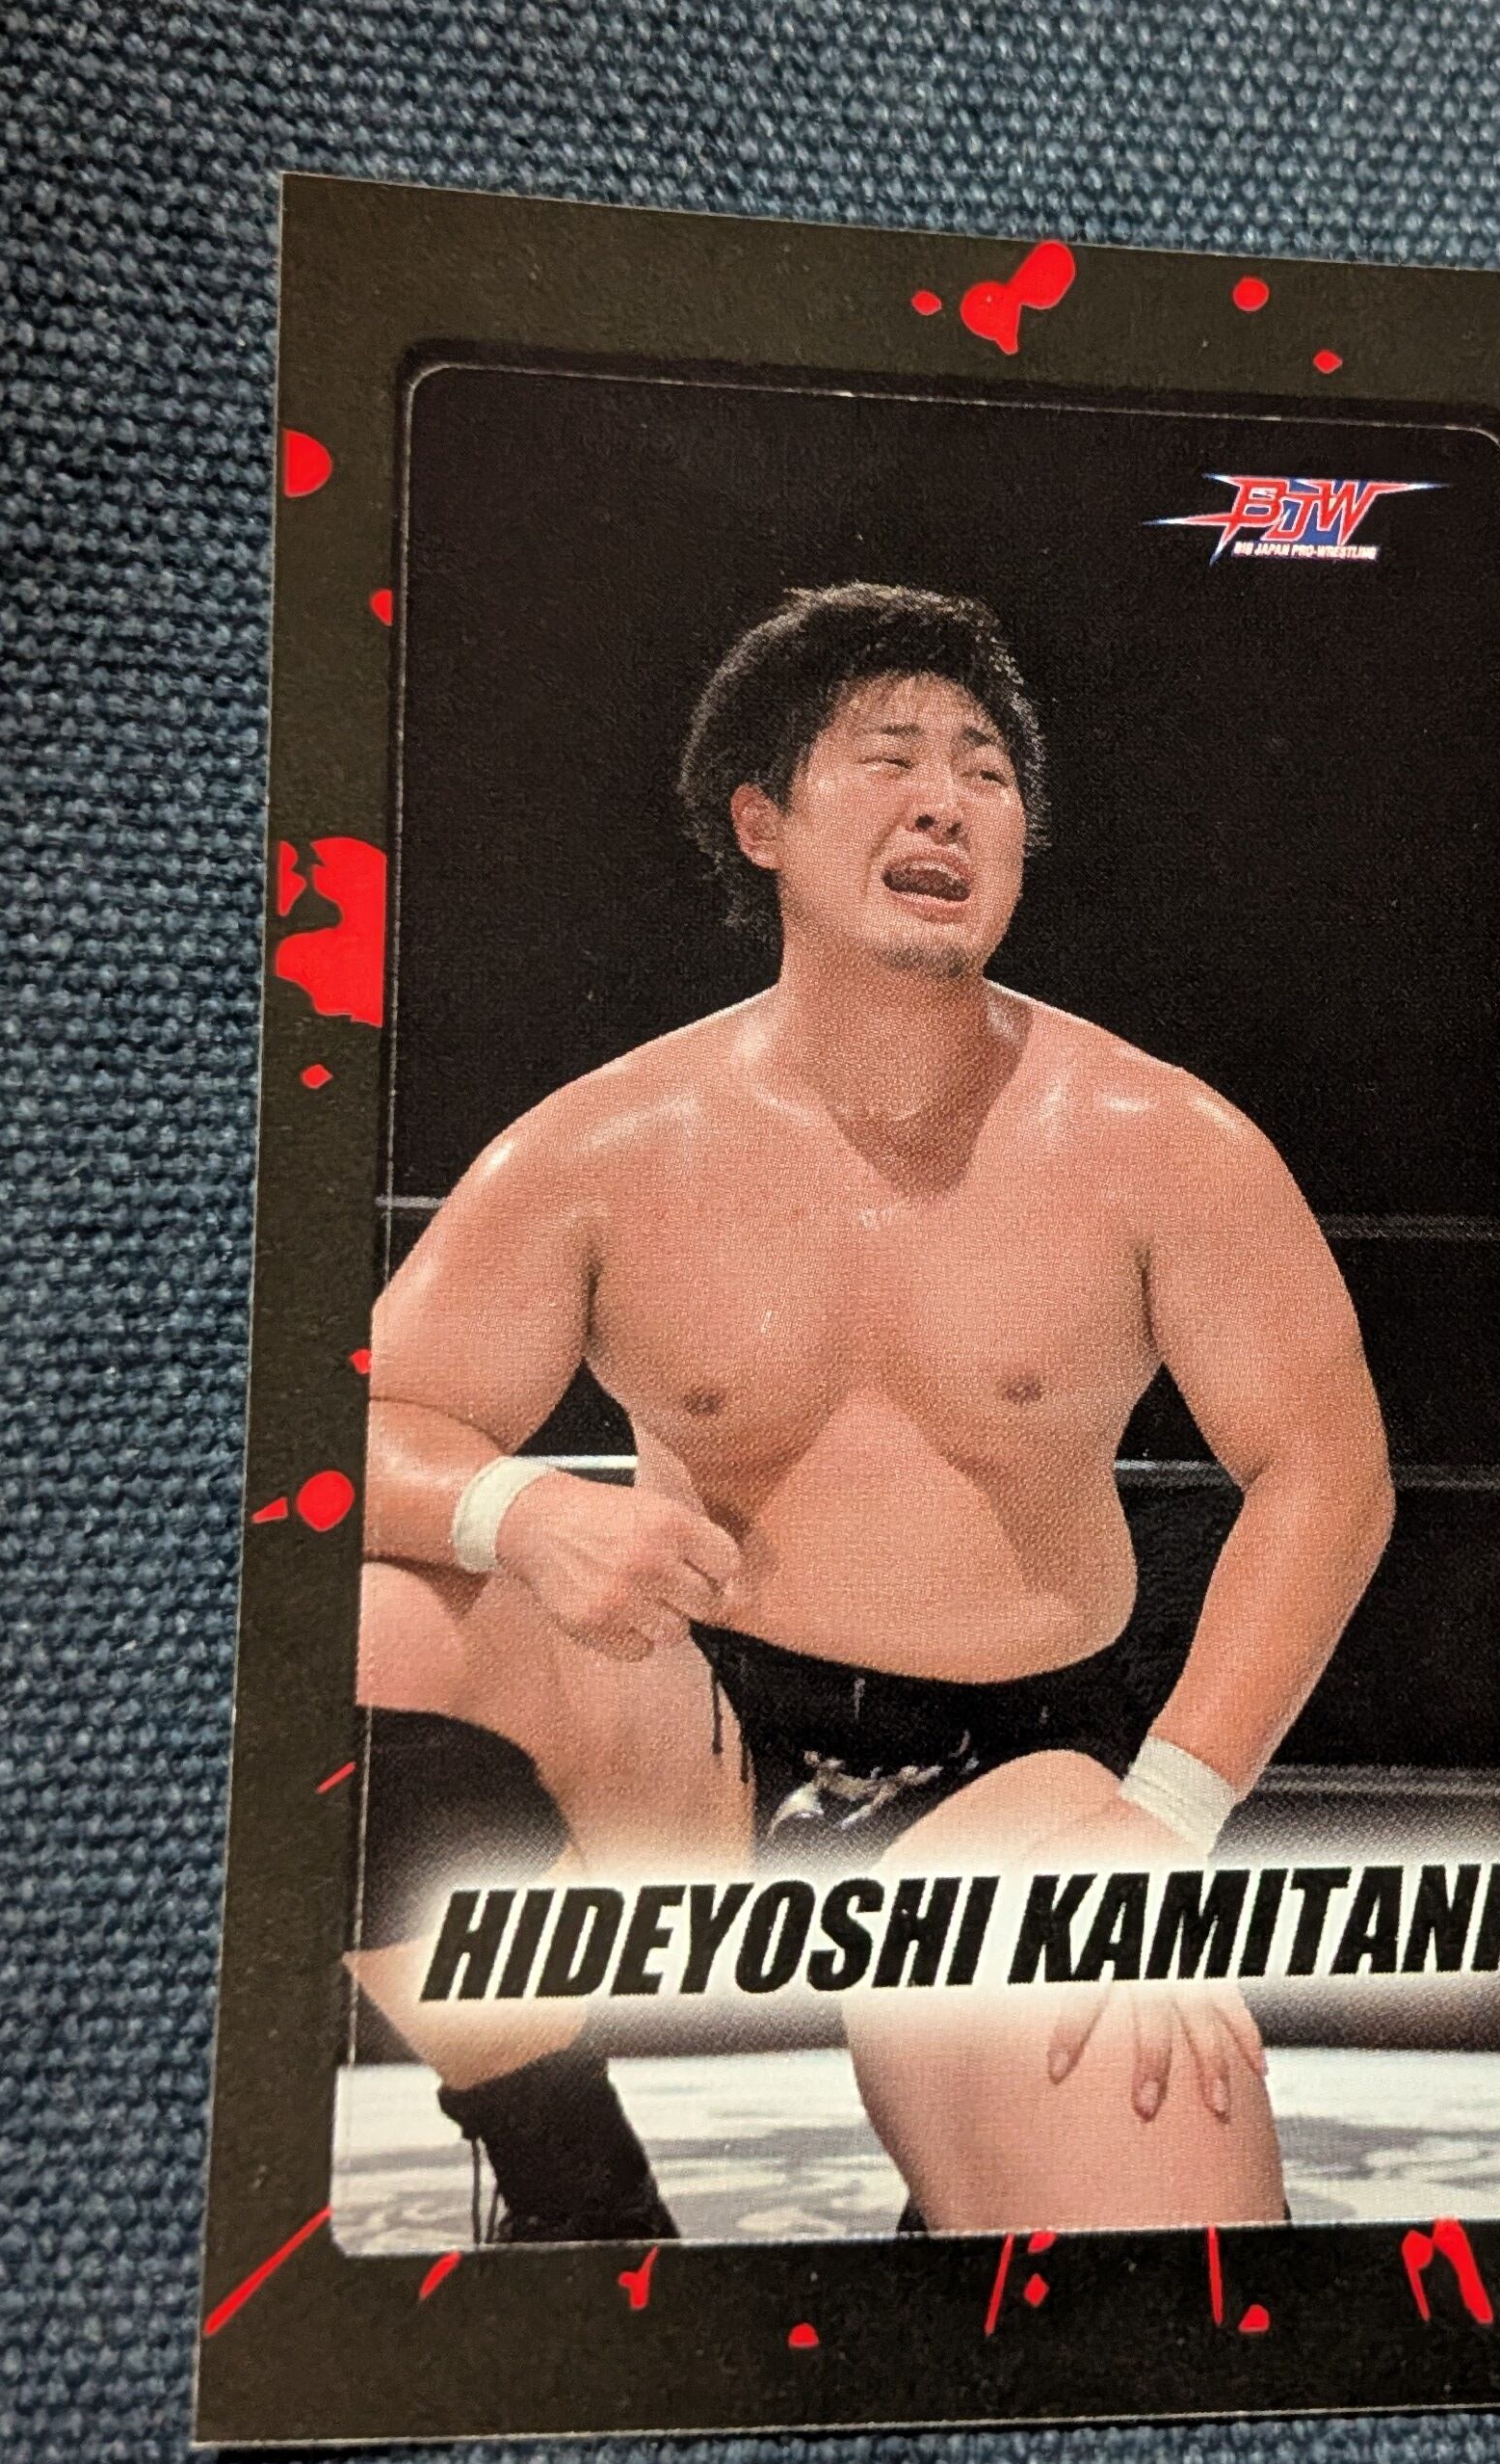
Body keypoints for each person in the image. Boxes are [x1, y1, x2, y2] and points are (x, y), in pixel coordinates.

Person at [355, 582, 1395, 2234]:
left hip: (1001, 1771)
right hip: (688, 1736)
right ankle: (566, 2170)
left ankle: (977, 2162)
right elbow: (351, 1435)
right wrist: (518, 1508)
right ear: (759, 823)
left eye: (986, 771)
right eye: (891, 756)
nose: (946, 803)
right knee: (370, 1631)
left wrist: (1169, 1814)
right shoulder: (601, 1150)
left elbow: (1326, 1468)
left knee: (1155, 2171)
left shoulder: (1159, 1143)